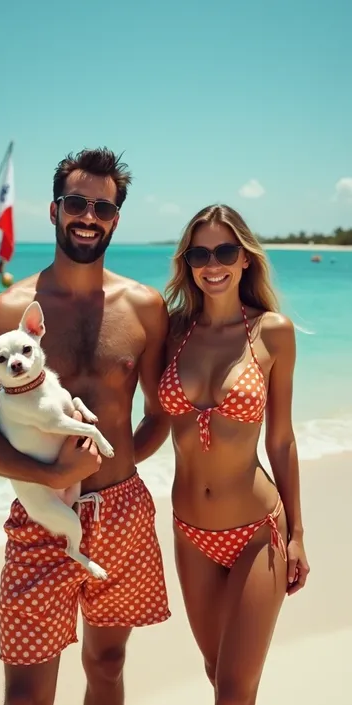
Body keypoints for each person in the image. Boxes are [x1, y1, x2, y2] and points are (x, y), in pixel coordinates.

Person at [0, 147, 171, 705]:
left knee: (108, 661)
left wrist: (120, 462)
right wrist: (50, 476)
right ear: (53, 211)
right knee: (26, 688)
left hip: (123, 512)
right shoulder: (7, 312)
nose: (88, 216)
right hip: (40, 517)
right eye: (76, 202)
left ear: (116, 218)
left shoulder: (144, 307)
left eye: (103, 207)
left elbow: (160, 411)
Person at [158, 204, 310, 704]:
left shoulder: (273, 332)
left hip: (256, 532)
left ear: (245, 258)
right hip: (189, 531)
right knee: (213, 668)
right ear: (188, 262)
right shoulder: (172, 331)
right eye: (200, 252)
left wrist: (298, 536)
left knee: (233, 690)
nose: (212, 263)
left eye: (225, 250)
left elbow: (281, 440)